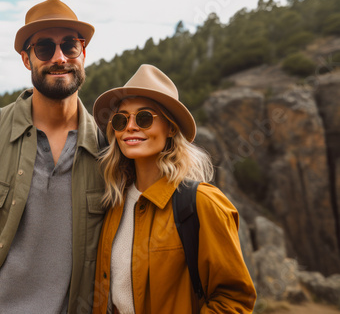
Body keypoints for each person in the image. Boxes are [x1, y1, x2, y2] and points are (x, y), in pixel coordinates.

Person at [0, 0, 106, 314]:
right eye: (44, 48)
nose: (59, 57)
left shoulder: (109, 151)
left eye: (70, 45)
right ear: (27, 59)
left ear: (83, 53)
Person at [91, 64, 257, 313]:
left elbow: (233, 301)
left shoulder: (201, 203)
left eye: (145, 117)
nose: (131, 127)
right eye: (121, 119)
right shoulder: (114, 202)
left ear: (170, 128)